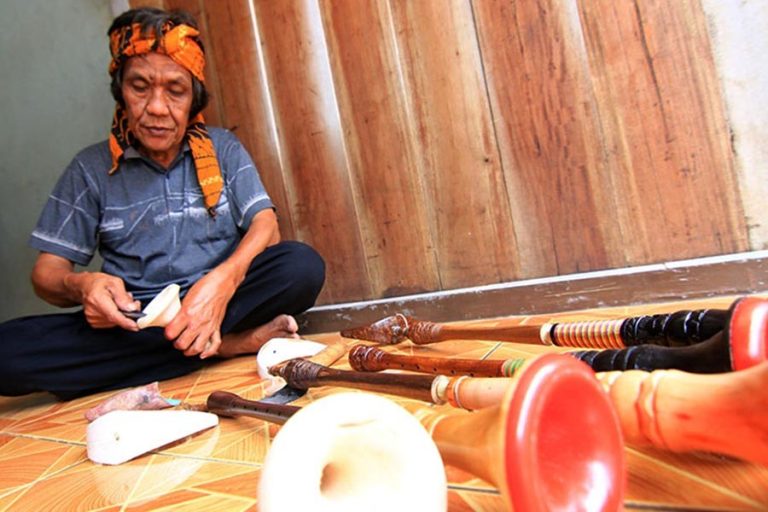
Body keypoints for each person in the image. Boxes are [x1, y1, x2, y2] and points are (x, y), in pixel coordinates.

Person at [0, 7, 325, 400]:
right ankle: (222, 345)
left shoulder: (222, 148)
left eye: (175, 90)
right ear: (120, 91)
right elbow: (46, 273)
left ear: (193, 99)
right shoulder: (89, 168)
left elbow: (266, 226)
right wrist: (83, 285)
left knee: (301, 267)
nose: (156, 107)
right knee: (7, 351)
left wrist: (223, 283)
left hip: (221, 304)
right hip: (133, 324)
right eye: (140, 87)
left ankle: (190, 342)